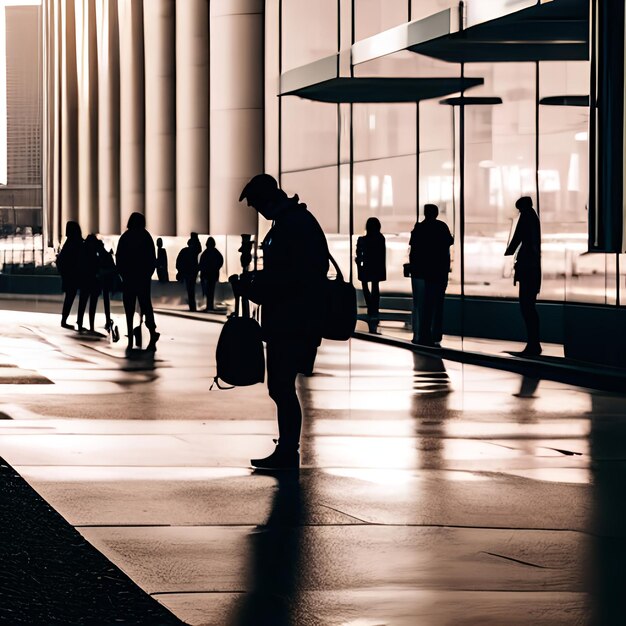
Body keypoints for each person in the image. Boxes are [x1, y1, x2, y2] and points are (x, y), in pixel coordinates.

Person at [235, 174, 329, 470]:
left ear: (267, 200)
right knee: (281, 386)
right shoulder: (291, 222)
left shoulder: (292, 224)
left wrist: (255, 287)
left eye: (256, 205)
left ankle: (288, 450)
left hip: (294, 320)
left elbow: (292, 276)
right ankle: (287, 447)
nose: (258, 212)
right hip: (290, 319)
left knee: (282, 385)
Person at [409, 204, 454, 347]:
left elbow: (414, 249)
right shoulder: (442, 227)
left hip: (424, 271)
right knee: (438, 303)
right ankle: (436, 333)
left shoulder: (420, 228)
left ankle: (424, 333)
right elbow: (449, 242)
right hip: (440, 270)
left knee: (425, 305)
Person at [115, 212, 160, 352]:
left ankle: (130, 331)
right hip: (142, 278)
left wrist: (123, 274)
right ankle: (152, 330)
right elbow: (152, 258)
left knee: (129, 306)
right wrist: (147, 274)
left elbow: (119, 258)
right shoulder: (146, 237)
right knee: (146, 304)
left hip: (129, 278)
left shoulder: (125, 237)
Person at [505, 196, 542, 356]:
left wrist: (509, 251)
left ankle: (533, 344)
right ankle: (533, 343)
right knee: (529, 307)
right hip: (532, 269)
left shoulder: (527, 217)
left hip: (528, 269)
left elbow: (518, 236)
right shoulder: (532, 216)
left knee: (526, 306)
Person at [355, 217, 386, 333]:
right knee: (375, 286)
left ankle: (370, 307)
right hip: (377, 266)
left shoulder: (363, 239)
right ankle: (374, 309)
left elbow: (359, 253)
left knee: (365, 285)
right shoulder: (380, 238)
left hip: (366, 265)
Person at [56, 221, 83, 329]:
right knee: (76, 296)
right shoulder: (76, 243)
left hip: (69, 275)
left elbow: (61, 260)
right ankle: (77, 321)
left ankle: (65, 319)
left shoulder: (68, 243)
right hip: (75, 274)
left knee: (69, 297)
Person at [76, 234, 101, 334]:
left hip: (85, 280)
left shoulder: (83, 253)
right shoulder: (95, 254)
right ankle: (91, 325)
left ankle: (80, 322)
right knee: (92, 304)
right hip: (93, 280)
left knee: (83, 301)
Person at [199, 237, 224, 311]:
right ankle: (210, 306)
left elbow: (201, 264)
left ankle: (209, 306)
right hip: (213, 275)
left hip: (207, 275)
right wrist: (215, 268)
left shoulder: (205, 253)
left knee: (207, 291)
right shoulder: (216, 253)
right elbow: (220, 261)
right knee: (211, 291)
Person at [176, 239, 199, 311]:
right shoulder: (194, 253)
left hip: (187, 274)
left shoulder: (184, 251)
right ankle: (192, 306)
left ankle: (191, 306)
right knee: (191, 291)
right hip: (191, 274)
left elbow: (179, 262)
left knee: (190, 291)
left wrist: (180, 271)